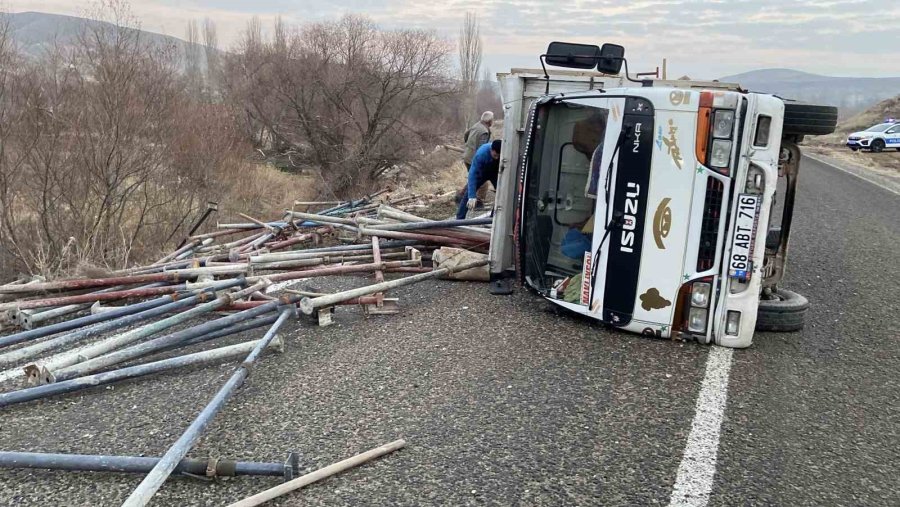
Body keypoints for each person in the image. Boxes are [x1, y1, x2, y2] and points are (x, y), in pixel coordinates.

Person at [457, 140, 501, 219]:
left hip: (495, 173)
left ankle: (493, 217)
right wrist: (472, 196)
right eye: (495, 155)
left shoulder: (503, 153)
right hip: (482, 172)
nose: (497, 157)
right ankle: (459, 218)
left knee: (501, 194)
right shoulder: (481, 154)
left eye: (498, 156)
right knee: (468, 194)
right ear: (491, 150)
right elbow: (472, 174)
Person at [458, 111, 494, 204]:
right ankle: (478, 201)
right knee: (482, 181)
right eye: (492, 120)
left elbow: (466, 135)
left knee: (474, 177)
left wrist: (468, 146)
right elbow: (481, 148)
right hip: (473, 159)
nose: (492, 122)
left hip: (467, 156)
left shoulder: (476, 125)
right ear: (489, 121)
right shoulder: (484, 132)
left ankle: (461, 195)